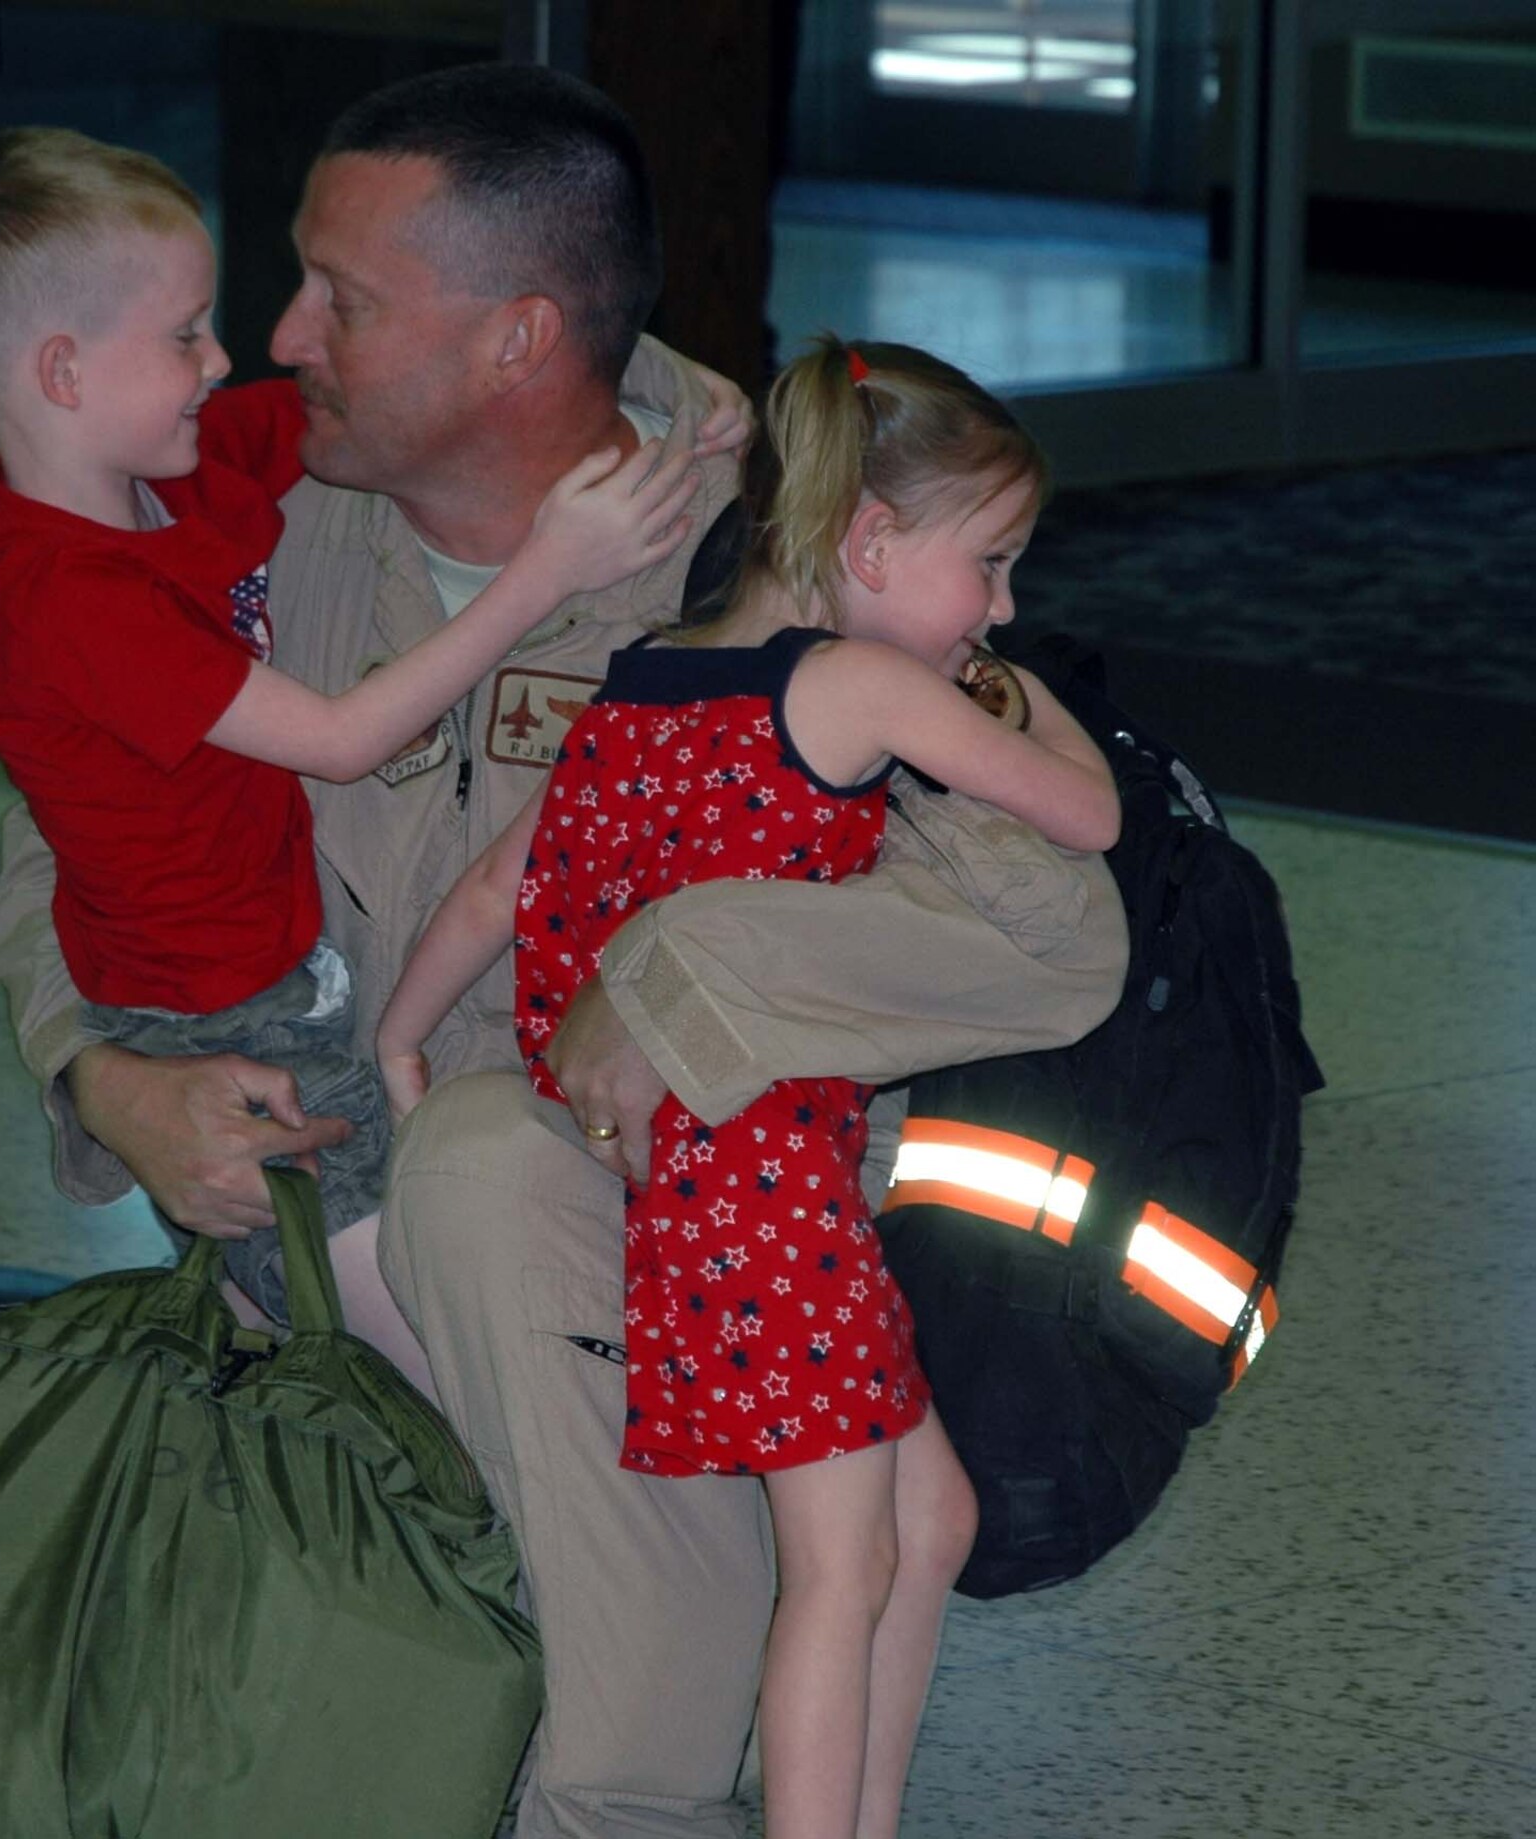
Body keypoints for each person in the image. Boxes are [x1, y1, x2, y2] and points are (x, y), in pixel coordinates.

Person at [0, 64, 1129, 1839]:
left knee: (487, 1159)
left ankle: (627, 1786)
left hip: (707, 1228)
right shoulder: (233, 507)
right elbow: (65, 819)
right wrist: (106, 1075)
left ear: (518, 338)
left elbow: (1053, 931)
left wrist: (674, 988)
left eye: (341, 299)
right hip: (345, 1220)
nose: (281, 340)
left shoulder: (797, 537)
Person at [376, 337, 1119, 1839]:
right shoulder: (851, 686)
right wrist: (1004, 686)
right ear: (870, 542)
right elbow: (1087, 813)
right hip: (769, 1190)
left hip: (713, 1191)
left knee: (935, 1516)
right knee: (838, 1573)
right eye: (989, 564)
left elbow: (496, 885)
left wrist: (402, 1037)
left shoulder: (639, 684)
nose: (1001, 604)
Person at [0, 126, 700, 1367]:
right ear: (61, 372)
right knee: (402, 1346)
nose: (229, 358)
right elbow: (338, 740)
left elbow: (408, 404)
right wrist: (553, 567)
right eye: (183, 335)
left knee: (325, 1295)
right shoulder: (65, 597)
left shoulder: (164, 474)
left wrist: (682, 422)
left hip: (286, 977)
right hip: (227, 1018)